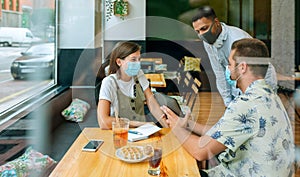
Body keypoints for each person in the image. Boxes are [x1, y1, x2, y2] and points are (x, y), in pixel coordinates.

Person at [161, 38, 294, 176]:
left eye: (230, 64)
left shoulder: (245, 104)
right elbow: (219, 132)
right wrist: (188, 124)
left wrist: (176, 127)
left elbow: (200, 152)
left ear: (242, 67)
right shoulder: (270, 95)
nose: (227, 68)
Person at [192, 6, 277, 107]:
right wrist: (227, 102)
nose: (202, 34)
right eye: (198, 32)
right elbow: (219, 73)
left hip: (259, 81)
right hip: (239, 82)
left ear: (216, 22)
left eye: (204, 28)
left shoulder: (237, 39)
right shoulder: (208, 44)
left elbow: (249, 74)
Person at [97, 41, 168, 129]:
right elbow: (103, 122)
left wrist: (167, 127)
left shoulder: (139, 74)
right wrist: (140, 124)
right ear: (119, 62)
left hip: (143, 132)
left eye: (139, 59)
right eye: (133, 59)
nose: (138, 63)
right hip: (120, 133)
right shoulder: (109, 82)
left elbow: (152, 102)